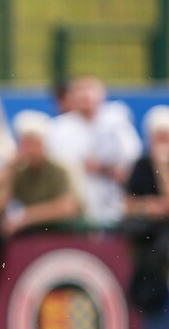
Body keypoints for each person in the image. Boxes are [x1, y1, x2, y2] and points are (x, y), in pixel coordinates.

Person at [47, 75, 142, 226]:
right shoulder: (58, 129)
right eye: (80, 90)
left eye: (90, 89)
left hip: (115, 202)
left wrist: (103, 168)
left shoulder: (117, 125)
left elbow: (131, 168)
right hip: (77, 206)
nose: (85, 95)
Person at [0, 110, 80, 237]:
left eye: (34, 144)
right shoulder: (19, 170)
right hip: (35, 233)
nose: (30, 150)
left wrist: (24, 217)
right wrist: (9, 170)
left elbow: (68, 207)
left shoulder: (61, 168)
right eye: (25, 144)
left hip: (66, 233)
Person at [122, 105, 169, 314]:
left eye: (166, 137)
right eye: (157, 138)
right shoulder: (141, 164)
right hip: (147, 237)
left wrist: (162, 168)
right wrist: (148, 206)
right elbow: (128, 204)